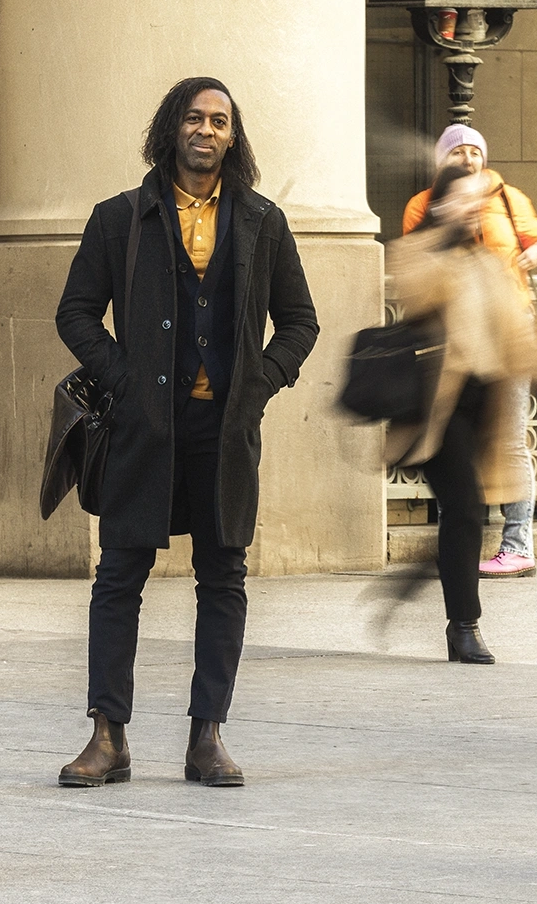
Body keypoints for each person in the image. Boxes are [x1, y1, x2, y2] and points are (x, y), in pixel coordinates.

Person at [54, 77, 318, 787]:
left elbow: (300, 322)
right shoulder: (120, 218)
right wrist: (125, 379)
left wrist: (258, 386)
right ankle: (107, 736)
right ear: (172, 128)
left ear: (234, 136)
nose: (206, 129)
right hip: (146, 427)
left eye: (220, 120)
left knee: (223, 575)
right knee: (119, 576)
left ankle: (208, 736)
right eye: (194, 117)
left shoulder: (263, 221)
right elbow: (75, 312)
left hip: (222, 431)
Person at [385, 164, 537, 664]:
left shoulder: (489, 261)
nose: (474, 208)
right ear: (442, 204)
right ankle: (464, 627)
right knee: (467, 509)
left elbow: (517, 329)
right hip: (434, 412)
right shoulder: (415, 251)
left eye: (479, 201)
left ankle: (432, 574)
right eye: (463, 200)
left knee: (466, 513)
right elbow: (420, 294)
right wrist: (446, 235)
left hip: (481, 410)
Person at [402, 124, 537, 579]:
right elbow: (418, 255)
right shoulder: (423, 205)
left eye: (475, 151)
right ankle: (459, 538)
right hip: (452, 344)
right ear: (442, 162)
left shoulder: (509, 198)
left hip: (508, 334)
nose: (468, 159)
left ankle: (518, 545)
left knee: (510, 438)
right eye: (458, 152)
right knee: (455, 445)